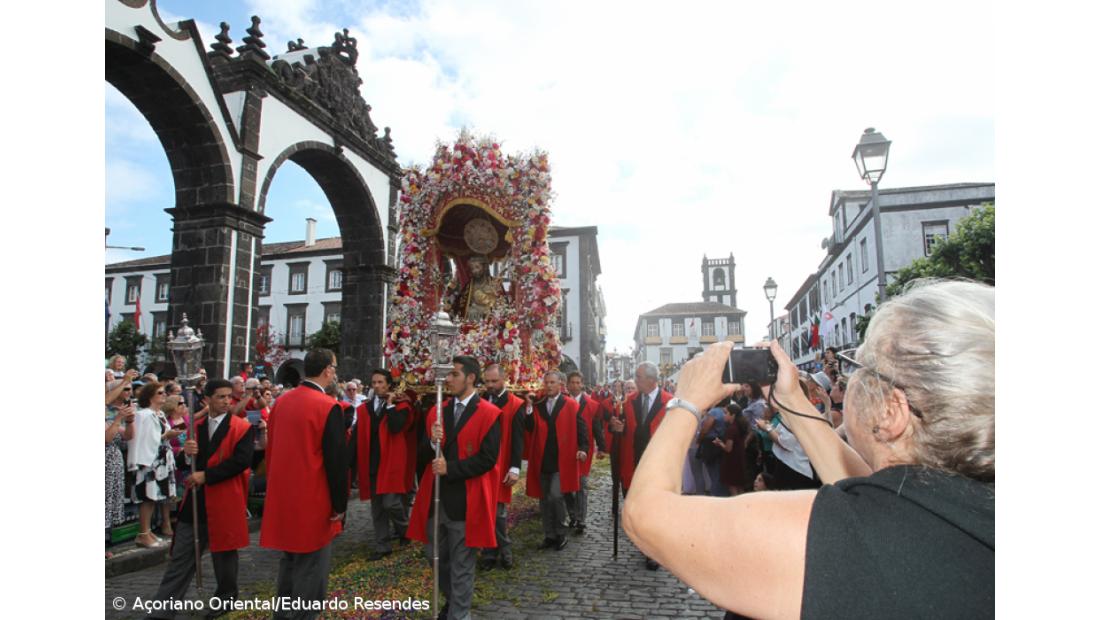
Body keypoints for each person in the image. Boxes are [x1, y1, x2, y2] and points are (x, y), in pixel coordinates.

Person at [622, 280, 994, 618]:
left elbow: (644, 514)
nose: (846, 382)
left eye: (856, 369)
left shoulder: (838, 537)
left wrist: (686, 401)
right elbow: (869, 485)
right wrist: (792, 402)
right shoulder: (956, 511)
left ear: (891, 411)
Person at [148, 378, 255, 619]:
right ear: (207, 399)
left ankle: (225, 601)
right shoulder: (195, 427)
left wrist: (207, 475)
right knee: (181, 558)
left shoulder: (242, 427)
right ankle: (162, 610)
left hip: (224, 498)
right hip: (196, 501)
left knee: (224, 557)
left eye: (229, 397)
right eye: (221, 397)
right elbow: (189, 462)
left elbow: (241, 462)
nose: (227, 401)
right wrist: (187, 456)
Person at [407, 355, 501, 620]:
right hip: (436, 500)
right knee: (435, 556)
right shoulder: (437, 410)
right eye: (448, 374)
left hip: (465, 501)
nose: (448, 379)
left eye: (454, 374)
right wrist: (430, 440)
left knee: (462, 564)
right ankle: (451, 600)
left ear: (471, 378)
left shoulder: (490, 413)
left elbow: (488, 459)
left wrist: (452, 469)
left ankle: (460, 614)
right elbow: (422, 456)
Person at [260, 349, 349, 619]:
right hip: (314, 498)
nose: (334, 372)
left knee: (289, 563)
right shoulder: (328, 407)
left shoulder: (281, 403)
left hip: (285, 495)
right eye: (334, 367)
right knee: (311, 572)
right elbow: (336, 461)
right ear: (327, 371)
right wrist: (339, 504)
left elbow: (271, 449)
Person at [351, 369, 415, 561]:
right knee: (377, 508)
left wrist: (389, 406)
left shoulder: (401, 405)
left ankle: (405, 530)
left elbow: (396, 428)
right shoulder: (365, 409)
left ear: (388, 384)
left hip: (392, 462)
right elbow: (357, 436)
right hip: (372, 463)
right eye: (374, 382)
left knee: (392, 503)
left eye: (380, 382)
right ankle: (383, 546)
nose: (377, 386)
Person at [522, 371, 587, 551]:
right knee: (544, 499)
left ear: (561, 384)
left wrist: (583, 448)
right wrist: (528, 407)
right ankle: (549, 535)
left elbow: (581, 428)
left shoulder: (571, 405)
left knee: (556, 496)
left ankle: (561, 532)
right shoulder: (538, 404)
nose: (549, 385)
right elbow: (529, 427)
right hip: (542, 458)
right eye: (547, 382)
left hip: (562, 458)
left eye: (552, 382)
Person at [478, 363, 526, 571]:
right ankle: (490, 552)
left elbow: (518, 439)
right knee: (485, 511)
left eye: (494, 381)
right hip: (482, 464)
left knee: (498, 513)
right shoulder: (480, 401)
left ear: (503, 380)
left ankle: (503, 551)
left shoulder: (515, 404)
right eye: (487, 381)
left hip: (502, 464)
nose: (490, 385)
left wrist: (515, 467)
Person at [127, 381, 181, 547]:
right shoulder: (143, 415)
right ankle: (143, 533)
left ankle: (147, 531)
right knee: (147, 496)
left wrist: (169, 435)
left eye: (164, 392)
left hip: (161, 459)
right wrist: (166, 436)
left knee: (155, 497)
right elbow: (142, 439)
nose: (164, 395)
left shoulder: (160, 414)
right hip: (148, 460)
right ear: (150, 396)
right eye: (160, 393)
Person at [564, 372, 605, 534]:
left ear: (582, 384)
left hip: (584, 448)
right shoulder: (563, 402)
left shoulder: (592, 404)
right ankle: (572, 514)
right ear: (567, 384)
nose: (574, 385)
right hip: (566, 449)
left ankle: (581, 519)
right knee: (566, 485)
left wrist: (601, 447)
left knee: (582, 484)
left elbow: (596, 427)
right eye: (572, 382)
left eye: (577, 382)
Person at [106, 380, 136, 558]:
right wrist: (118, 419)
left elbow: (128, 436)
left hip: (113, 462)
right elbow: (107, 438)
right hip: (104, 461)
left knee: (110, 502)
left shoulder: (112, 414)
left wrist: (130, 421)